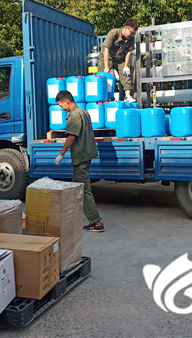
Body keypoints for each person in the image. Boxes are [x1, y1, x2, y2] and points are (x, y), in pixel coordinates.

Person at [54, 90, 104, 232]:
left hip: (80, 156)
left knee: (82, 190)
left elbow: (72, 136)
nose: (62, 108)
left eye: (61, 105)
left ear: (67, 101)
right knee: (77, 188)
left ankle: (96, 222)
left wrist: (61, 154)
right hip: (86, 154)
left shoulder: (74, 115)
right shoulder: (84, 112)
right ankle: (75, 218)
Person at [103, 19, 138, 103]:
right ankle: (104, 96)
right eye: (131, 33)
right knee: (104, 75)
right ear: (126, 28)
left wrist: (126, 66)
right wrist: (106, 66)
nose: (132, 35)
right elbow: (106, 49)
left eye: (134, 33)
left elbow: (129, 52)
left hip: (120, 58)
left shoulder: (130, 38)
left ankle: (127, 96)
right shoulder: (114, 33)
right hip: (108, 56)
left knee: (125, 74)